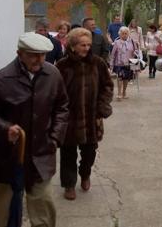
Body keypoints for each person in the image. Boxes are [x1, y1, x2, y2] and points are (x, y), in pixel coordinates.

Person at [0, 32, 69, 227]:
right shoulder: (2, 79)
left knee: (43, 209)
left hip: (41, 155)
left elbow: (62, 107)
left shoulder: (52, 74)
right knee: (3, 213)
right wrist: (4, 128)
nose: (39, 59)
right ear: (19, 53)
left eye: (42, 54)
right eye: (33, 54)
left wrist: (55, 138)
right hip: (8, 157)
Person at [55, 28, 113, 201]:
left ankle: (85, 174)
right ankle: (69, 184)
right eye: (82, 45)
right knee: (68, 154)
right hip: (69, 119)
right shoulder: (62, 66)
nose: (86, 48)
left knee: (89, 153)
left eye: (88, 45)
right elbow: (55, 92)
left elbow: (108, 86)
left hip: (92, 117)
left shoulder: (98, 63)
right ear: (72, 46)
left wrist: (102, 108)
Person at [110, 26, 139, 100]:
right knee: (119, 78)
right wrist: (111, 65)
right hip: (119, 63)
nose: (124, 35)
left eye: (126, 33)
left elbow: (136, 51)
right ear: (119, 34)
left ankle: (124, 92)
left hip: (128, 63)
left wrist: (136, 53)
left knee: (126, 79)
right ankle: (119, 93)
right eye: (122, 33)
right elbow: (113, 54)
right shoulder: (116, 42)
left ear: (128, 34)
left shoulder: (132, 42)